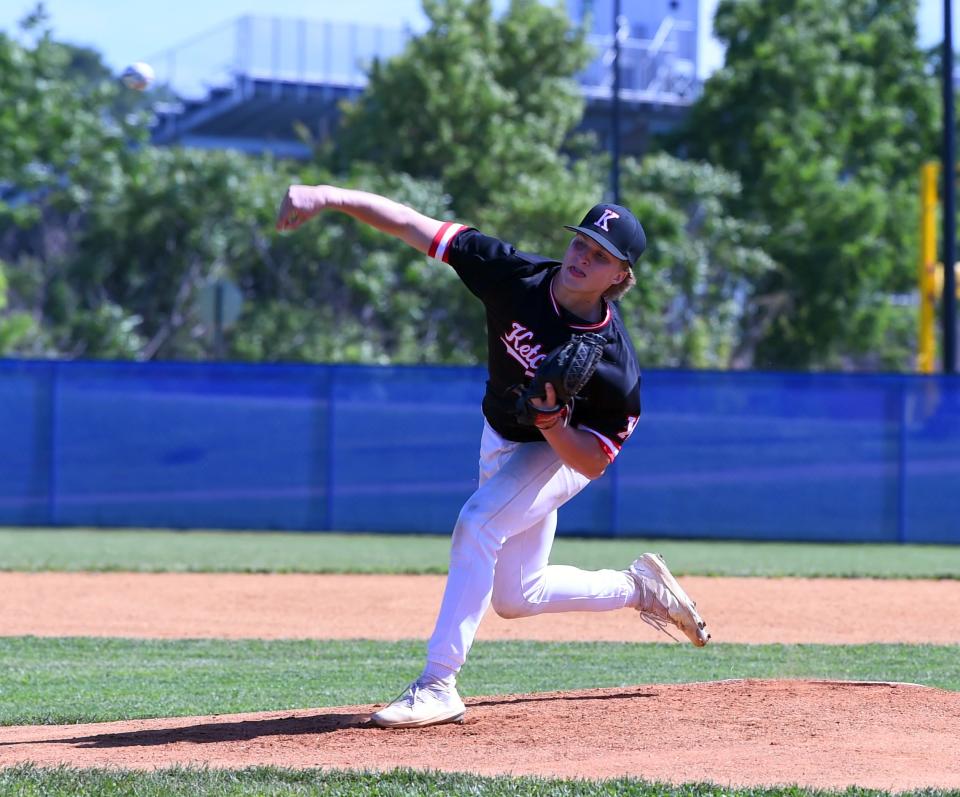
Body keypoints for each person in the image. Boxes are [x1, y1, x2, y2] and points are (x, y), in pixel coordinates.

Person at [275, 184, 710, 729]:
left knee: (478, 523)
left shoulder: (615, 365)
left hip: (556, 453)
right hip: (498, 435)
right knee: (518, 594)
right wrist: (325, 195)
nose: (582, 257)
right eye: (581, 242)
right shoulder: (514, 275)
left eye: (601, 255)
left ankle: (437, 682)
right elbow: (413, 225)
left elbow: (593, 463)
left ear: (620, 277)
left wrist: (551, 421)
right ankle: (638, 588)